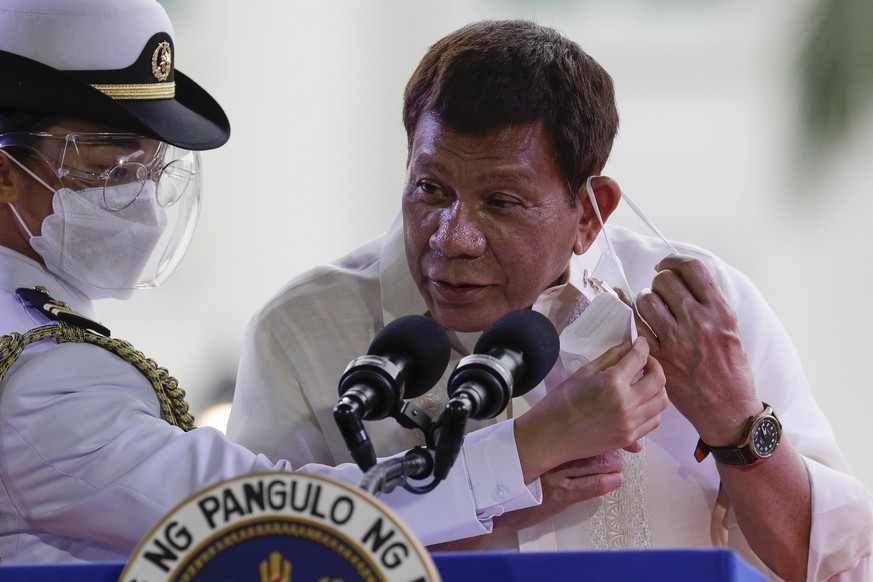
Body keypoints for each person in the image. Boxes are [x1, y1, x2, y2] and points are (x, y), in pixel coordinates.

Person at [0, 2, 661, 564]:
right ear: (5, 172)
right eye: (109, 168)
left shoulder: (38, 335)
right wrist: (536, 442)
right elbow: (261, 518)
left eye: (151, 170)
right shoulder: (42, 378)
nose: (141, 202)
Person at [227, 19, 873, 581]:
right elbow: (259, 565)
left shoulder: (698, 309)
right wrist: (489, 505)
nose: (453, 238)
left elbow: (835, 569)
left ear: (591, 213)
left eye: (501, 201)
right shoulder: (302, 330)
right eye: (429, 188)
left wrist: (733, 421)